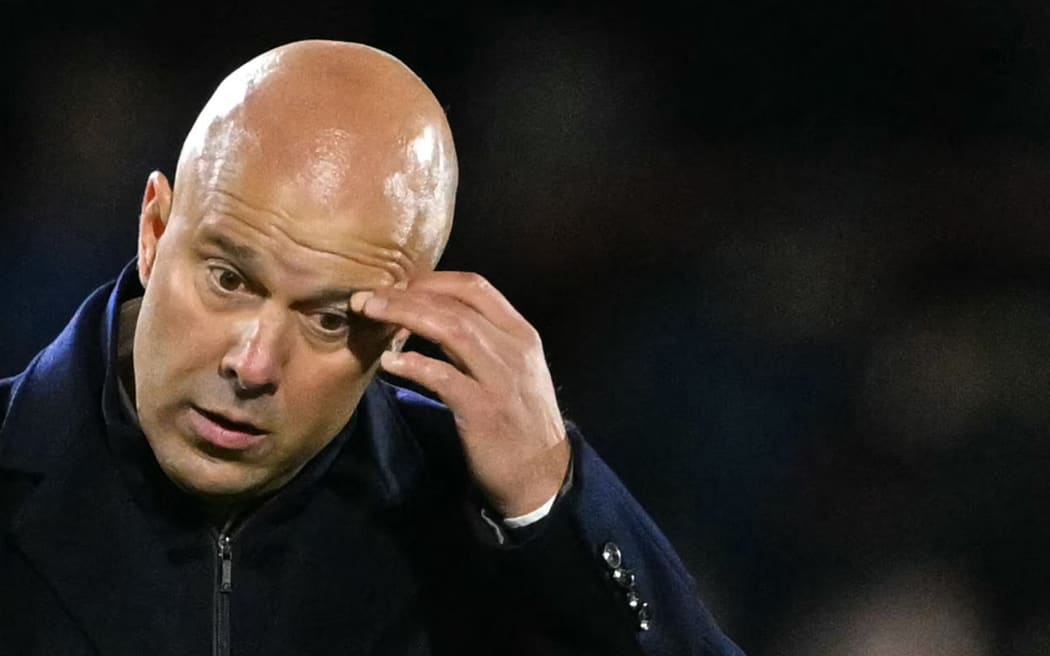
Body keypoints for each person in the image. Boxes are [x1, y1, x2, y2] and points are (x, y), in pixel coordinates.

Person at [0, 40, 743, 655]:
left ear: (400, 322)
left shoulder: (472, 516)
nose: (252, 365)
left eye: (328, 318)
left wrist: (553, 501)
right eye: (228, 279)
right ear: (156, 231)